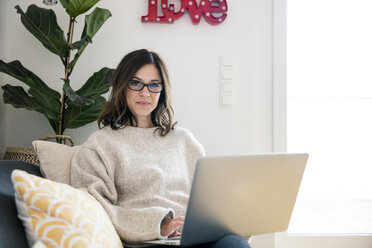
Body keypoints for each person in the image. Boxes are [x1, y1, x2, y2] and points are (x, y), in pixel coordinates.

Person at [70, 49, 251, 248]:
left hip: (195, 237)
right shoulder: (100, 145)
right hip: (149, 241)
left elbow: (209, 199)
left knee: (234, 243)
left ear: (163, 91)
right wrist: (159, 225)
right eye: (136, 83)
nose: (145, 93)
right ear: (122, 86)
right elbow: (96, 208)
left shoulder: (184, 141)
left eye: (154, 85)